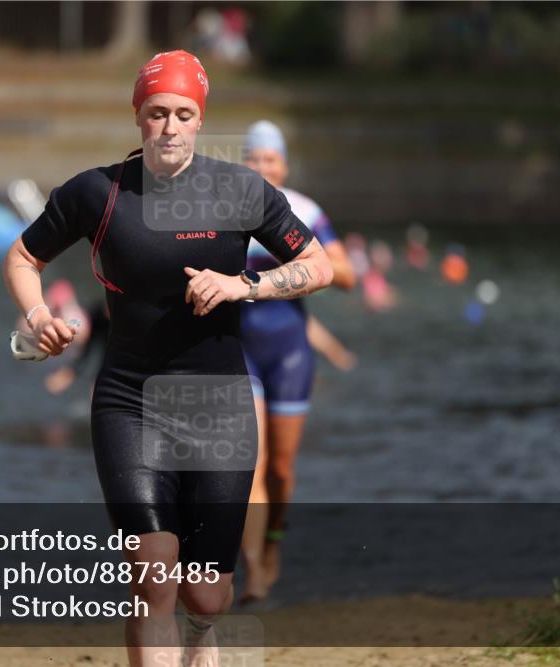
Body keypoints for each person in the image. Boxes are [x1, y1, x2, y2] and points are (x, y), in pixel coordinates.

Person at [3, 51, 334, 667]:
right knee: (153, 576)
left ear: (200, 119)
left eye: (184, 113)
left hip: (220, 405)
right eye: (157, 113)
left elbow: (318, 265)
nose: (170, 127)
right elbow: (23, 258)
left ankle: (203, 635)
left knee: (206, 595)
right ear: (138, 116)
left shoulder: (240, 189)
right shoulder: (97, 192)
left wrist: (244, 285)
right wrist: (39, 316)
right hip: (130, 400)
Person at [238, 120, 356, 603]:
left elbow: (345, 274)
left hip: (288, 350)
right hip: (238, 348)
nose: (262, 167)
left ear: (283, 166)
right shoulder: (223, 208)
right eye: (253, 159)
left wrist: (291, 263)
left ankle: (272, 542)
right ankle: (252, 570)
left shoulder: (304, 211)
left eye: (270, 159)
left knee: (281, 470)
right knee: (251, 463)